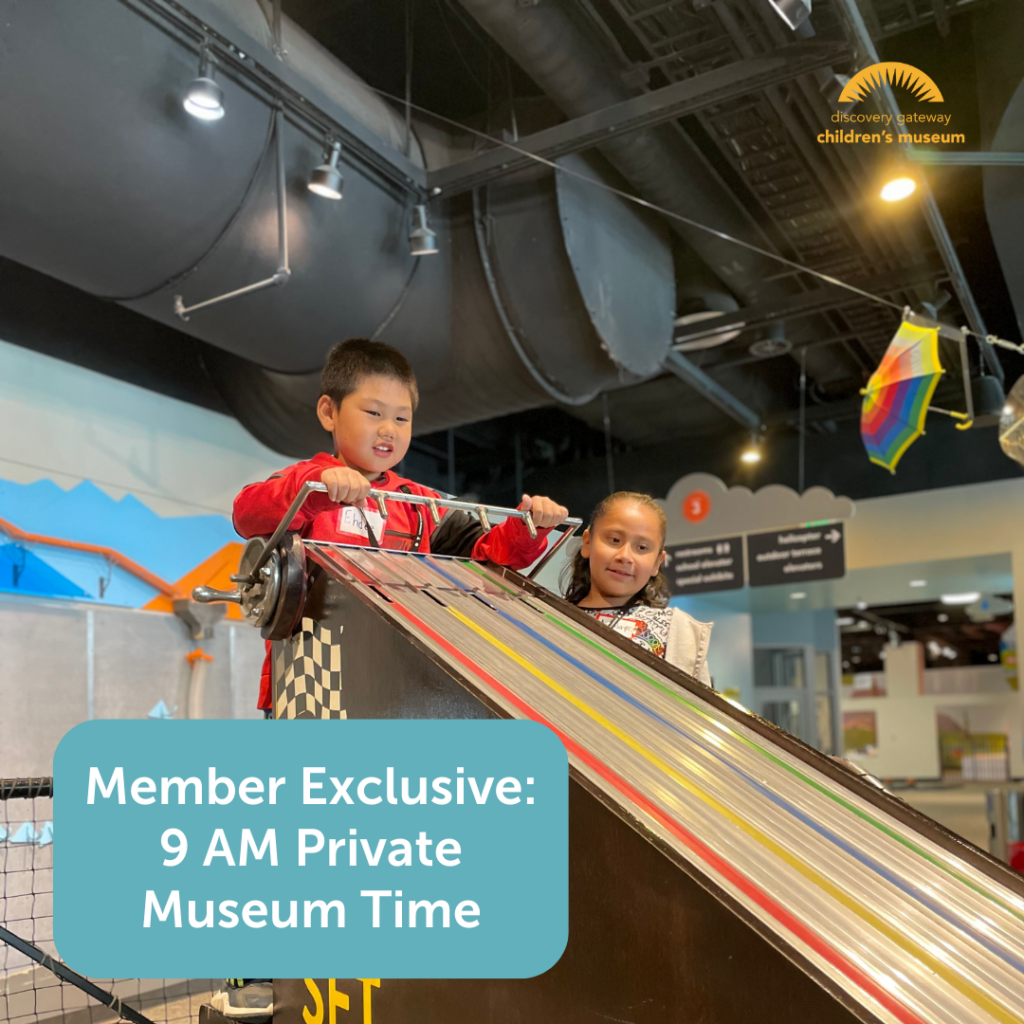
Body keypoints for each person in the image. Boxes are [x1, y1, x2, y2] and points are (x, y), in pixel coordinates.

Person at [233, 337, 569, 718]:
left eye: (401, 418)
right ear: (329, 412)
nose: (389, 429)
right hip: (305, 681)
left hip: (395, 686)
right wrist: (320, 487)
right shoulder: (305, 483)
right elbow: (247, 513)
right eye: (374, 413)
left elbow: (487, 554)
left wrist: (531, 528)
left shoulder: (421, 504)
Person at [562, 491, 713, 686]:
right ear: (588, 542)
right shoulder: (551, 617)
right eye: (614, 540)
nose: (625, 556)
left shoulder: (679, 632)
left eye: (642, 547)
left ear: (657, 562)